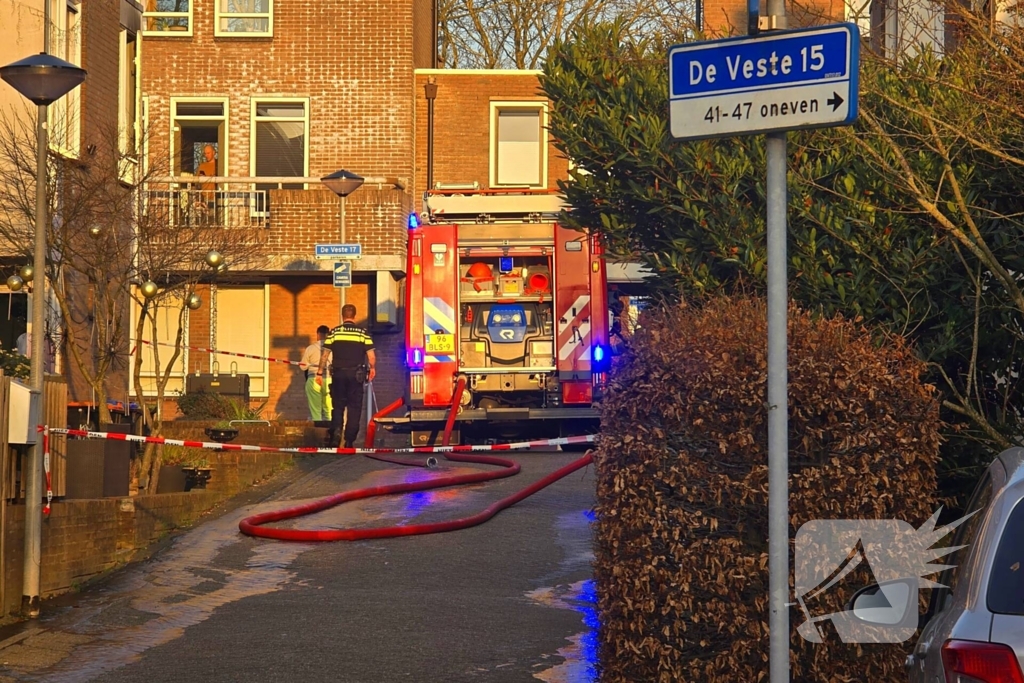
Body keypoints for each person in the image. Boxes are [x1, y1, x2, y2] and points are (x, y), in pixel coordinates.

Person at [316, 304, 376, 448]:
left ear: (342, 315)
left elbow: (325, 355)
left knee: (338, 406)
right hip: (356, 376)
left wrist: (319, 372)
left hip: (338, 375)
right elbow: (371, 356)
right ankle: (349, 441)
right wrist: (373, 368)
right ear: (354, 315)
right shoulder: (363, 333)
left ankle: (336, 435)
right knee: (355, 407)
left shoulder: (334, 333)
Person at [301, 325, 332, 422]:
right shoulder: (332, 349)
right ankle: (331, 433)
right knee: (329, 410)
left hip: (313, 379)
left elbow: (303, 366)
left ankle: (318, 432)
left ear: (318, 334)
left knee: (316, 411)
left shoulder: (310, 348)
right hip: (329, 380)